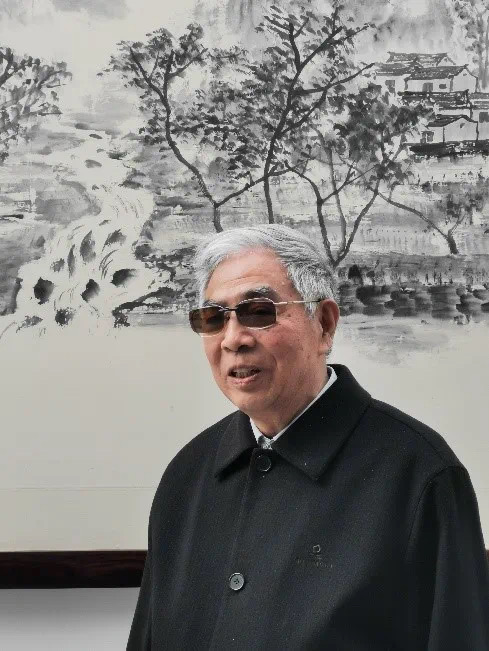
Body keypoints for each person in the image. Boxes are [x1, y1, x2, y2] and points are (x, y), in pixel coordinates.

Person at [127, 224, 489, 650]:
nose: (233, 339)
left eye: (258, 311)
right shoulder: (188, 474)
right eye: (213, 318)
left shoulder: (420, 474)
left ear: (324, 324)